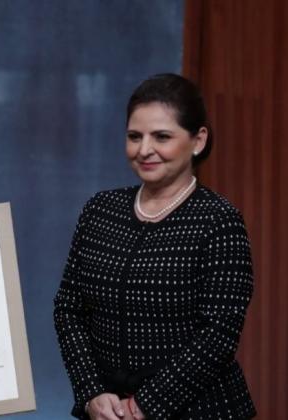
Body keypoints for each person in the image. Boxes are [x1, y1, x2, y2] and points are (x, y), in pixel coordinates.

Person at [53, 74, 255, 419]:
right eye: (134, 137)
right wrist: (91, 393)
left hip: (199, 411)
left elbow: (219, 333)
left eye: (161, 136)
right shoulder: (100, 210)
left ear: (198, 140)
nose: (144, 149)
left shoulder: (219, 220)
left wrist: (145, 405)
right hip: (106, 411)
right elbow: (68, 309)